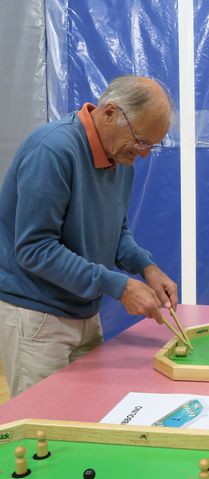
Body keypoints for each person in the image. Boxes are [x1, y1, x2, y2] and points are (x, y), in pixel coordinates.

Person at [0, 75, 178, 397]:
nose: (144, 154)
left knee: (86, 417)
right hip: (37, 316)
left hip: (84, 312)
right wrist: (120, 286)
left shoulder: (121, 157)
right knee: (44, 430)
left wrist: (146, 267)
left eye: (152, 145)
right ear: (110, 113)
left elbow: (116, 231)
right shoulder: (52, 150)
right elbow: (35, 249)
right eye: (141, 141)